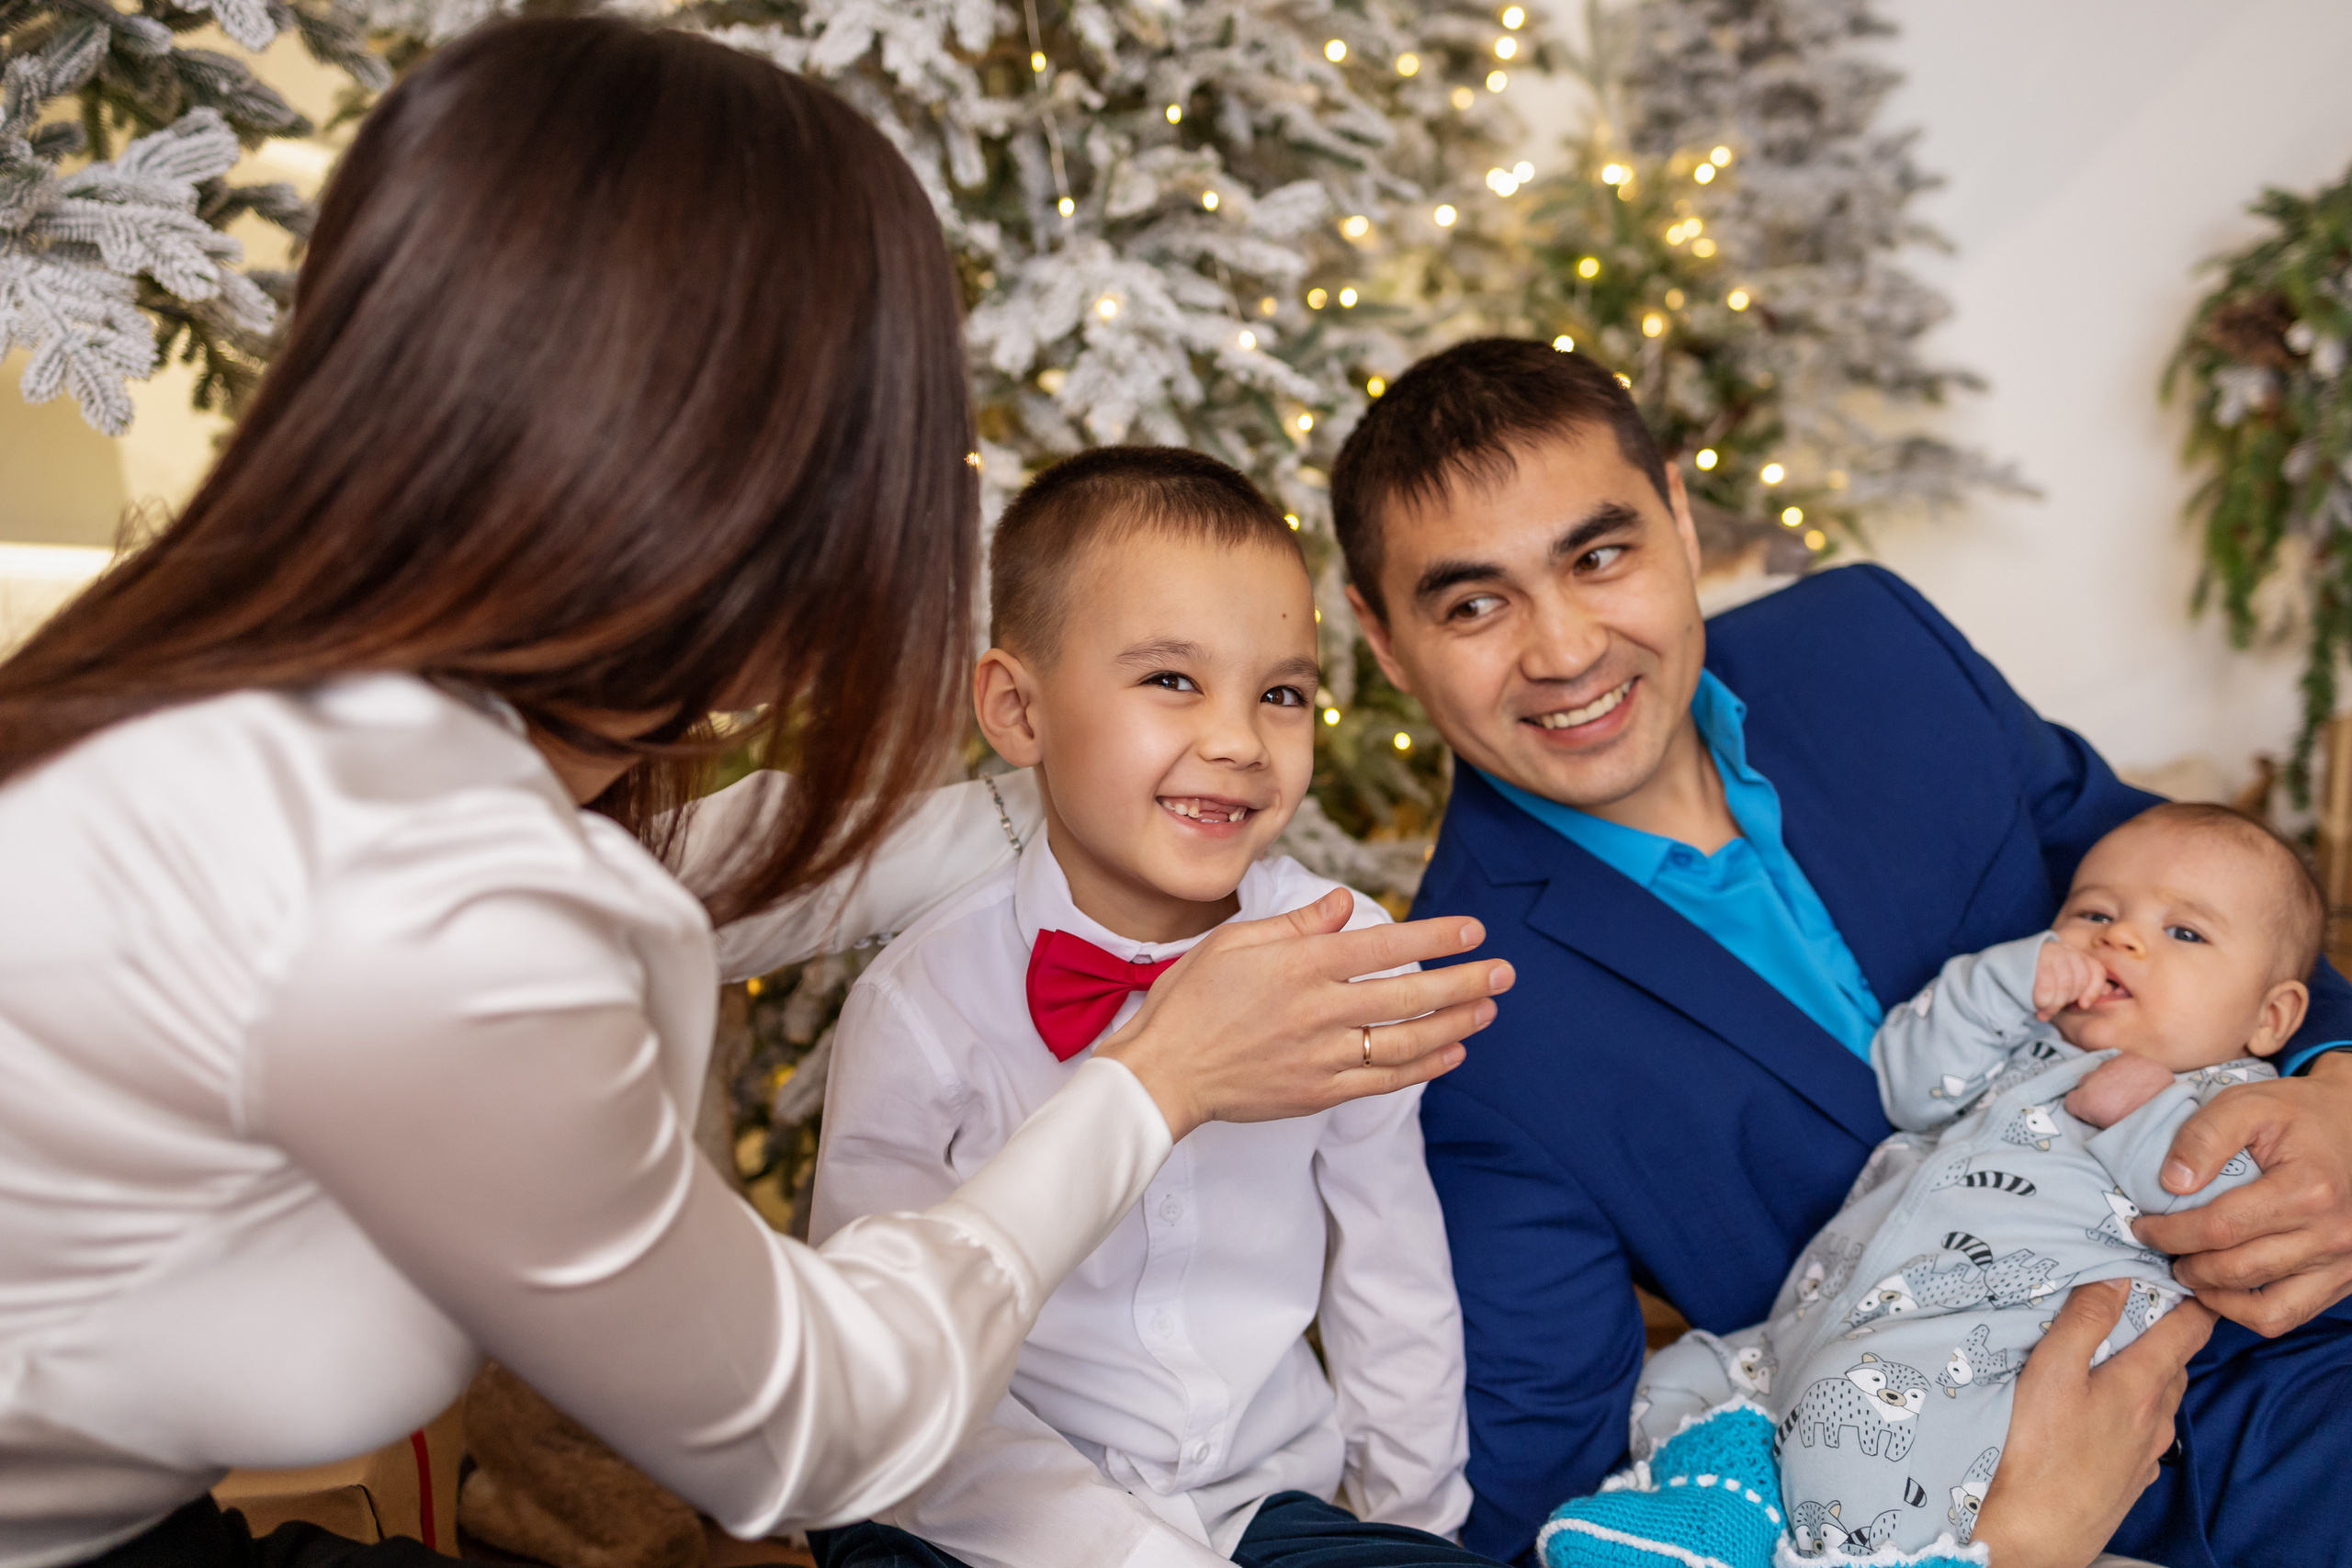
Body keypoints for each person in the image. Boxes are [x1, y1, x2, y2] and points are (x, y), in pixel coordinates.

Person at [0, 28, 1512, 1568]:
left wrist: (1088, 815)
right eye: (892, 446)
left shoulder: (311, 731)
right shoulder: (426, 892)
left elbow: (742, 861)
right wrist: (1160, 1075)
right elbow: (818, 1419)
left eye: (1275, 692)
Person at [1328, 336, 2352, 1568]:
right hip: (2092, 1486)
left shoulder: (1874, 643)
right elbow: (1560, 1484)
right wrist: (2017, 1542)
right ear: (1382, 640)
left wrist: (2339, 1076)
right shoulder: (1469, 1021)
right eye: (1474, 603)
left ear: (1683, 528)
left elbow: (2212, 877)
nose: (1562, 650)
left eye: (1600, 556)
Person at [806, 447, 1491, 1568]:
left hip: (1258, 1495)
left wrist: (1415, 1526)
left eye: (1280, 693)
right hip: (968, 1508)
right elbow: (878, 1364)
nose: (1236, 739)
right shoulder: (924, 1001)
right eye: (1172, 679)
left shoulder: (1345, 955)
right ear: (1017, 711)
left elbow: (1391, 1266)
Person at [1544, 803, 2317, 1565]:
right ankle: (1722, 1518)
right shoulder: (2023, 1042)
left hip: (1969, 1380)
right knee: (1677, 1380)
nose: (2122, 937)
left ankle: (1856, 1554)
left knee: (1839, 1434)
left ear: (2271, 1018)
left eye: (2184, 931)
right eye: (2093, 913)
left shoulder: (2231, 1099)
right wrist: (2007, 983)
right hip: (1814, 1326)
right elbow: (1909, 1084)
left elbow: (2230, 1211)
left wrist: (2141, 1114)